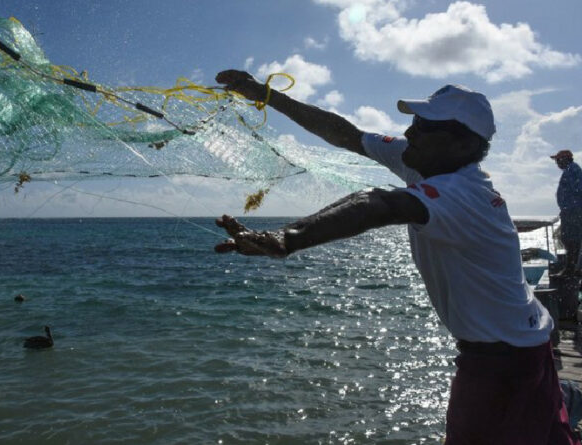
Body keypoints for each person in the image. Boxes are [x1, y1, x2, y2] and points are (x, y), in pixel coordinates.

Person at [213, 70, 579, 444]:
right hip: (531, 338)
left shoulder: (464, 195)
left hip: (502, 365)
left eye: (424, 126)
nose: (410, 133)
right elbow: (345, 134)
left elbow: (379, 204)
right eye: (414, 122)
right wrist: (265, 94)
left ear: (463, 144)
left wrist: (284, 239)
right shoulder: (422, 159)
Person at [551, 149, 582, 277]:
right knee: (570, 239)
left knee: (571, 239)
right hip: (571, 211)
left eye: (558, 160)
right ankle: (573, 269)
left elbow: (577, 191)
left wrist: (571, 209)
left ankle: (570, 270)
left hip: (573, 212)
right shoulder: (571, 170)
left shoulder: (572, 170)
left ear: (565, 159)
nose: (557, 163)